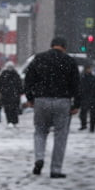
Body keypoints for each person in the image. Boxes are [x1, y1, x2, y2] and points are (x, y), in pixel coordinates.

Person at [24, 36, 80, 178]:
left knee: (40, 131)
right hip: (62, 101)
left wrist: (30, 98)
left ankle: (39, 158)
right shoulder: (69, 61)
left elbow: (28, 79)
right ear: (64, 47)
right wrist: (76, 104)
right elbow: (76, 85)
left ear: (51, 45)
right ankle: (55, 169)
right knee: (60, 135)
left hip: (41, 100)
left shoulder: (39, 58)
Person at [76, 64, 95, 133]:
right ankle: (91, 127)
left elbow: (79, 90)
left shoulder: (82, 79)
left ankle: (85, 125)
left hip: (86, 99)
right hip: (92, 99)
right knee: (92, 115)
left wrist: (78, 98)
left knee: (85, 113)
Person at [0, 61, 24, 127]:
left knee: (8, 109)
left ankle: (10, 121)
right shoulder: (16, 75)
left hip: (6, 96)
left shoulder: (3, 75)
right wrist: (20, 92)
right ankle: (14, 121)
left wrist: (2, 91)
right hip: (14, 96)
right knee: (14, 109)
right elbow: (20, 85)